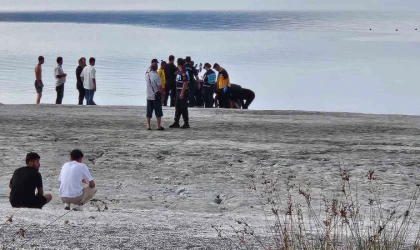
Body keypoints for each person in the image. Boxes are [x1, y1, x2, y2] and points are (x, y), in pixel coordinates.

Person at [169, 58, 190, 129]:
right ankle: (176, 122)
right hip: (178, 92)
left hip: (182, 92)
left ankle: (186, 123)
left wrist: (182, 92)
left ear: (178, 63)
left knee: (183, 108)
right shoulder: (179, 70)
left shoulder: (183, 72)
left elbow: (185, 82)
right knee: (177, 107)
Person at [145, 63, 164, 130]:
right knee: (158, 111)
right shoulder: (157, 76)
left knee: (149, 111)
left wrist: (150, 65)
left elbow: (146, 71)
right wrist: (162, 94)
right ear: (156, 68)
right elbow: (160, 87)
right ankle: (158, 126)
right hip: (156, 96)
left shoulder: (147, 75)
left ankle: (148, 125)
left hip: (148, 95)